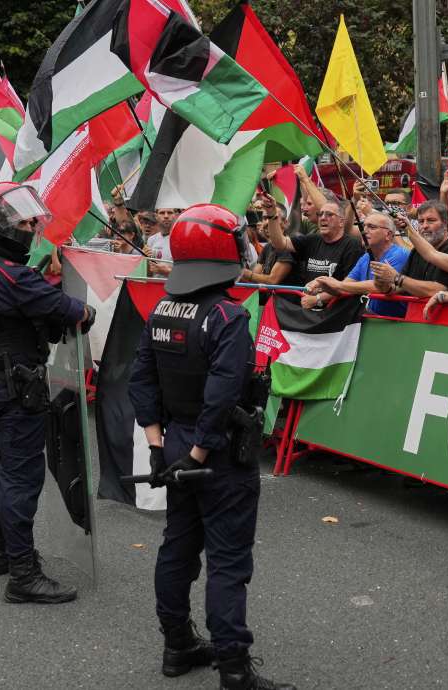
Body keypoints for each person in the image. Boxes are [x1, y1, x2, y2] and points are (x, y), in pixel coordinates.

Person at [129, 204, 294, 690]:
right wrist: (198, 453)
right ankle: (235, 671)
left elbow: (141, 379)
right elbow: (222, 393)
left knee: (178, 548)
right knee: (227, 563)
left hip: (175, 443)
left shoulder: (162, 308)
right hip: (215, 453)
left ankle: (177, 645)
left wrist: (159, 449)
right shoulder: (226, 315)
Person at [0, 182, 93, 604]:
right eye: (22, 218)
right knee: (21, 476)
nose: (32, 224)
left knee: (3, 467)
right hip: (14, 385)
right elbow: (69, 310)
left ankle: (4, 550)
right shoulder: (6, 273)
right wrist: (84, 310)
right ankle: (23, 572)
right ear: (0, 225)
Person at [302, 211, 409, 317]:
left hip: (395, 324)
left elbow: (380, 287)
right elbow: (344, 288)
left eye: (371, 227)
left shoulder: (399, 255)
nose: (364, 231)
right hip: (369, 320)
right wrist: (323, 284)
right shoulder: (365, 257)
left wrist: (338, 284)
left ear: (388, 235)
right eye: (363, 226)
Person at [264, 197, 363, 288]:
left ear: (341, 222)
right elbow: (279, 243)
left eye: (329, 215)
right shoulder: (312, 240)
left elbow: (348, 286)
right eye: (320, 214)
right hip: (308, 304)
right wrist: (271, 213)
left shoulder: (352, 245)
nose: (323, 218)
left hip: (336, 305)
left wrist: (318, 298)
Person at [374, 200, 448, 298]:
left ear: (445, 223)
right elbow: (404, 286)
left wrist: (397, 278)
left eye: (431, 220)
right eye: (421, 221)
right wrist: (385, 285)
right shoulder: (417, 251)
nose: (424, 226)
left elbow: (436, 291)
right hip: (415, 312)